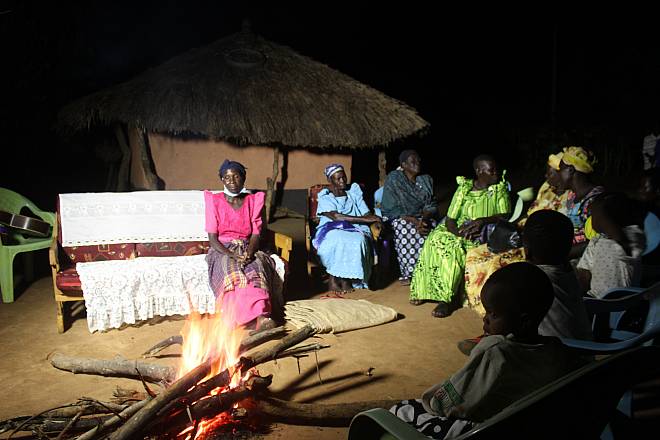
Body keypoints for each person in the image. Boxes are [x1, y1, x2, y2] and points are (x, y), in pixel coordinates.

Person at [391, 263, 587, 439]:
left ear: (523, 320)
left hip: (486, 428)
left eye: (493, 314)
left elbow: (448, 404)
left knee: (402, 410)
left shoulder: (495, 351)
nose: (485, 319)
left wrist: (433, 400)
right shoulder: (556, 348)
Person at [464, 151, 569, 313]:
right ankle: (478, 300)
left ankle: (495, 310)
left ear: (561, 174)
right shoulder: (547, 188)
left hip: (536, 241)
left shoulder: (568, 198)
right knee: (474, 254)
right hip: (522, 231)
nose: (546, 175)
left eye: (550, 173)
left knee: (495, 263)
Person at [410, 154, 510, 318]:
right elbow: (450, 219)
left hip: (480, 232)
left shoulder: (499, 189)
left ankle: (447, 299)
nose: (495, 173)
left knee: (455, 249)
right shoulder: (464, 189)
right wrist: (457, 234)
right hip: (456, 229)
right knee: (435, 239)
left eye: (495, 170)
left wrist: (482, 221)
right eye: (491, 170)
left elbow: (504, 215)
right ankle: (424, 290)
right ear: (479, 171)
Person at [204, 160, 280, 330]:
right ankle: (236, 318)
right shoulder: (214, 201)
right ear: (222, 180)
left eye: (236, 176)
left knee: (255, 269)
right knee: (231, 271)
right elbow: (213, 239)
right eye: (227, 177)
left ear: (243, 178)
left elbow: (256, 233)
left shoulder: (253, 201)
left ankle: (261, 316)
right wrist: (232, 254)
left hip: (247, 246)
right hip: (223, 249)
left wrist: (250, 253)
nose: (231, 181)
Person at [314, 164, 381, 294]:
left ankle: (346, 279)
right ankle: (333, 280)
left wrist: (374, 219)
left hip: (357, 228)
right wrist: (365, 219)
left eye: (343, 177)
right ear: (330, 180)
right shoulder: (325, 197)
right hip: (331, 228)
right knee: (338, 239)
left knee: (358, 240)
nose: (342, 181)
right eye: (338, 178)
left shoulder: (354, 193)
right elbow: (336, 217)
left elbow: (366, 212)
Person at [381, 150, 438, 285]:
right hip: (398, 216)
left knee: (433, 229)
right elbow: (390, 208)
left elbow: (431, 205)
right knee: (407, 228)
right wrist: (414, 220)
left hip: (421, 217)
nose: (417, 164)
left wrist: (424, 220)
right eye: (412, 162)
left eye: (418, 161)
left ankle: (430, 270)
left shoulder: (426, 180)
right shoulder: (395, 179)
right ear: (403, 165)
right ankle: (411, 273)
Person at [576, 193, 646, 299]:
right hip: (595, 299)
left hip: (622, 301)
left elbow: (621, 240)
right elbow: (584, 273)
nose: (591, 219)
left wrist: (600, 213)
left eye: (593, 215)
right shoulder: (596, 241)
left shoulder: (632, 236)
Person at [558, 146, 605, 258]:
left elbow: (596, 242)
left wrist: (560, 254)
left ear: (571, 170)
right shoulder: (572, 195)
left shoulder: (595, 200)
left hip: (589, 260)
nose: (558, 174)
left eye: (560, 169)